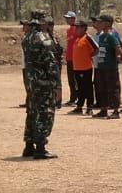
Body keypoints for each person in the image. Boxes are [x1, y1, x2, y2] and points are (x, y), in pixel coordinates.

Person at [20, 15, 59, 159]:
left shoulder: (27, 38)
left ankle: (29, 145)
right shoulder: (43, 39)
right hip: (43, 82)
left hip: (31, 81)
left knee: (32, 111)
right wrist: (56, 84)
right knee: (44, 112)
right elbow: (51, 64)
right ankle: (41, 147)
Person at [93, 15, 122, 119]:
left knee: (113, 88)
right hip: (101, 66)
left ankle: (115, 111)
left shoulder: (112, 36)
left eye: (101, 22)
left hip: (110, 67)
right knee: (103, 88)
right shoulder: (101, 36)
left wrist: (115, 60)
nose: (99, 24)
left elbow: (118, 50)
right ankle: (103, 109)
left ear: (108, 23)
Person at [62, 10, 80, 105]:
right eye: (66, 18)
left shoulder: (77, 30)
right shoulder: (69, 30)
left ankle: (76, 98)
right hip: (69, 58)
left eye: (69, 18)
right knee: (71, 80)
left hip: (75, 58)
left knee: (75, 79)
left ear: (73, 19)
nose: (67, 20)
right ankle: (72, 98)